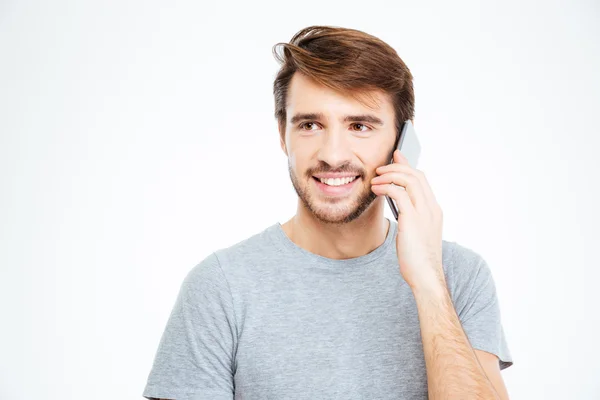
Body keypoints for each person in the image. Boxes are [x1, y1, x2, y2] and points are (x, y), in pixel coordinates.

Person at [142, 25, 513, 400]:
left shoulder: (458, 276)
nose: (333, 155)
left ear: (401, 141)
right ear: (281, 134)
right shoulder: (221, 286)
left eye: (360, 126)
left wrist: (430, 282)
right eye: (310, 125)